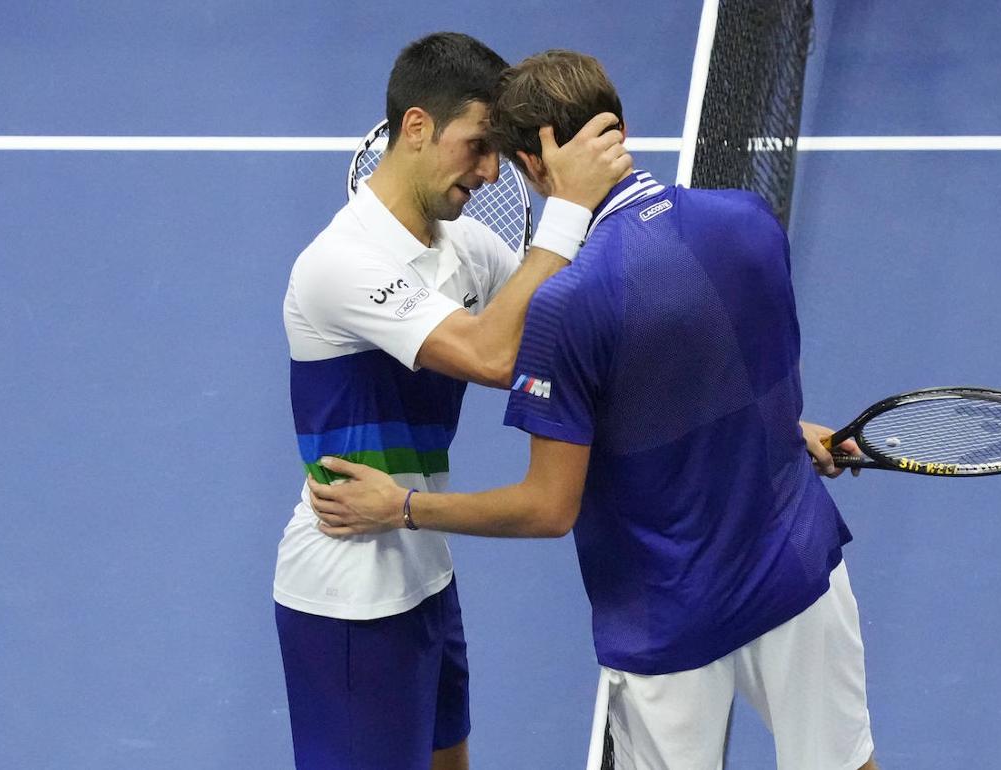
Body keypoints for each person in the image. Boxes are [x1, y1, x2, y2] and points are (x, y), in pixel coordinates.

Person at [309, 49, 879, 770]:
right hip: (800, 574)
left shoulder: (567, 307)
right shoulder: (748, 218)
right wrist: (780, 432)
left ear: (535, 163)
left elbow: (548, 508)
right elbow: (711, 374)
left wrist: (405, 508)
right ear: (614, 126)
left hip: (671, 622)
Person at [276, 34, 631, 770]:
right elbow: (493, 356)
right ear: (415, 128)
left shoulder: (464, 247)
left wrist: (769, 430)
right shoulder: (340, 264)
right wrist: (565, 210)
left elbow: (577, 344)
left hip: (424, 573)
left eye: (500, 151)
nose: (492, 171)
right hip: (349, 600)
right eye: (476, 146)